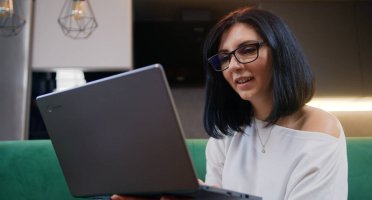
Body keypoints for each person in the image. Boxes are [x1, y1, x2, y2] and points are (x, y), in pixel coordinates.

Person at [112, 6, 348, 200]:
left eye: (246, 50)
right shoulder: (225, 135)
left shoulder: (319, 128)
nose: (234, 65)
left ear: (281, 51)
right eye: (225, 57)